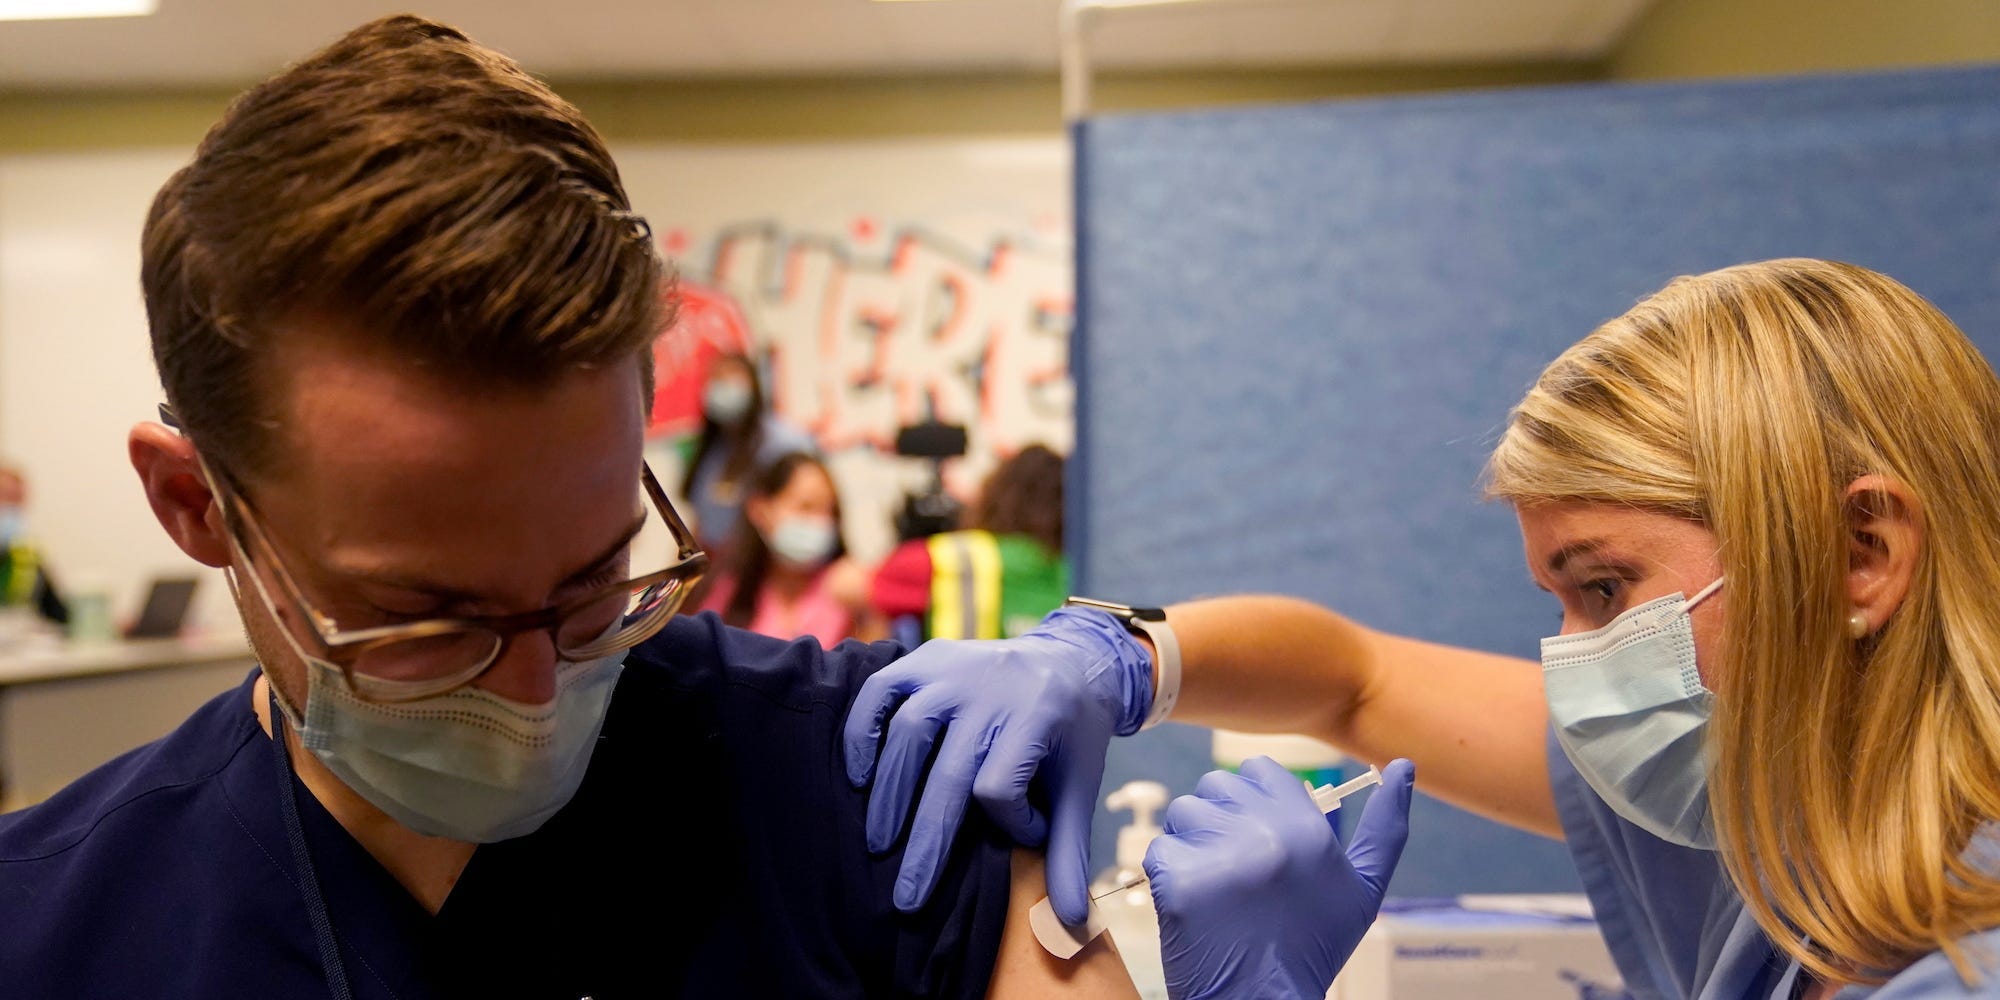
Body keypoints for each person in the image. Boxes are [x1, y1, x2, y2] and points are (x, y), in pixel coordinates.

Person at [0, 16, 1142, 999]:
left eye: (597, 581)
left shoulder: (854, 781)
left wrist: (1153, 657)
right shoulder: (47, 928)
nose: (536, 695)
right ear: (197, 503)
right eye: (427, 617)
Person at [846, 258, 2000, 998]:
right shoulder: (1779, 812)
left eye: (1601, 589)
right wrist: (1123, 655)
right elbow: (1351, 680)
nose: (1575, 658)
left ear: (1860, 557)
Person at [866, 443, 1071, 645]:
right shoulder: (1080, 572)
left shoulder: (953, 557)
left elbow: (851, 586)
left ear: (995, 496)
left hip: (961, 677)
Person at [699, 451, 854, 646]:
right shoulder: (732, 590)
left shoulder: (846, 590)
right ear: (760, 510)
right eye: (806, 507)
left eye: (830, 511)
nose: (821, 522)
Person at [679, 351, 816, 562]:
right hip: (719, 565)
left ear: (754, 384)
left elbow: (808, 509)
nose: (723, 387)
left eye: (731, 377)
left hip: (763, 564)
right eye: (716, 380)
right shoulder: (714, 451)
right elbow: (701, 522)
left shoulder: (785, 442)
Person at [0, 464, 68, 628]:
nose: (11, 508)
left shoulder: (26, 555)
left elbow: (57, 613)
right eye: (5, 497)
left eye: (17, 500)